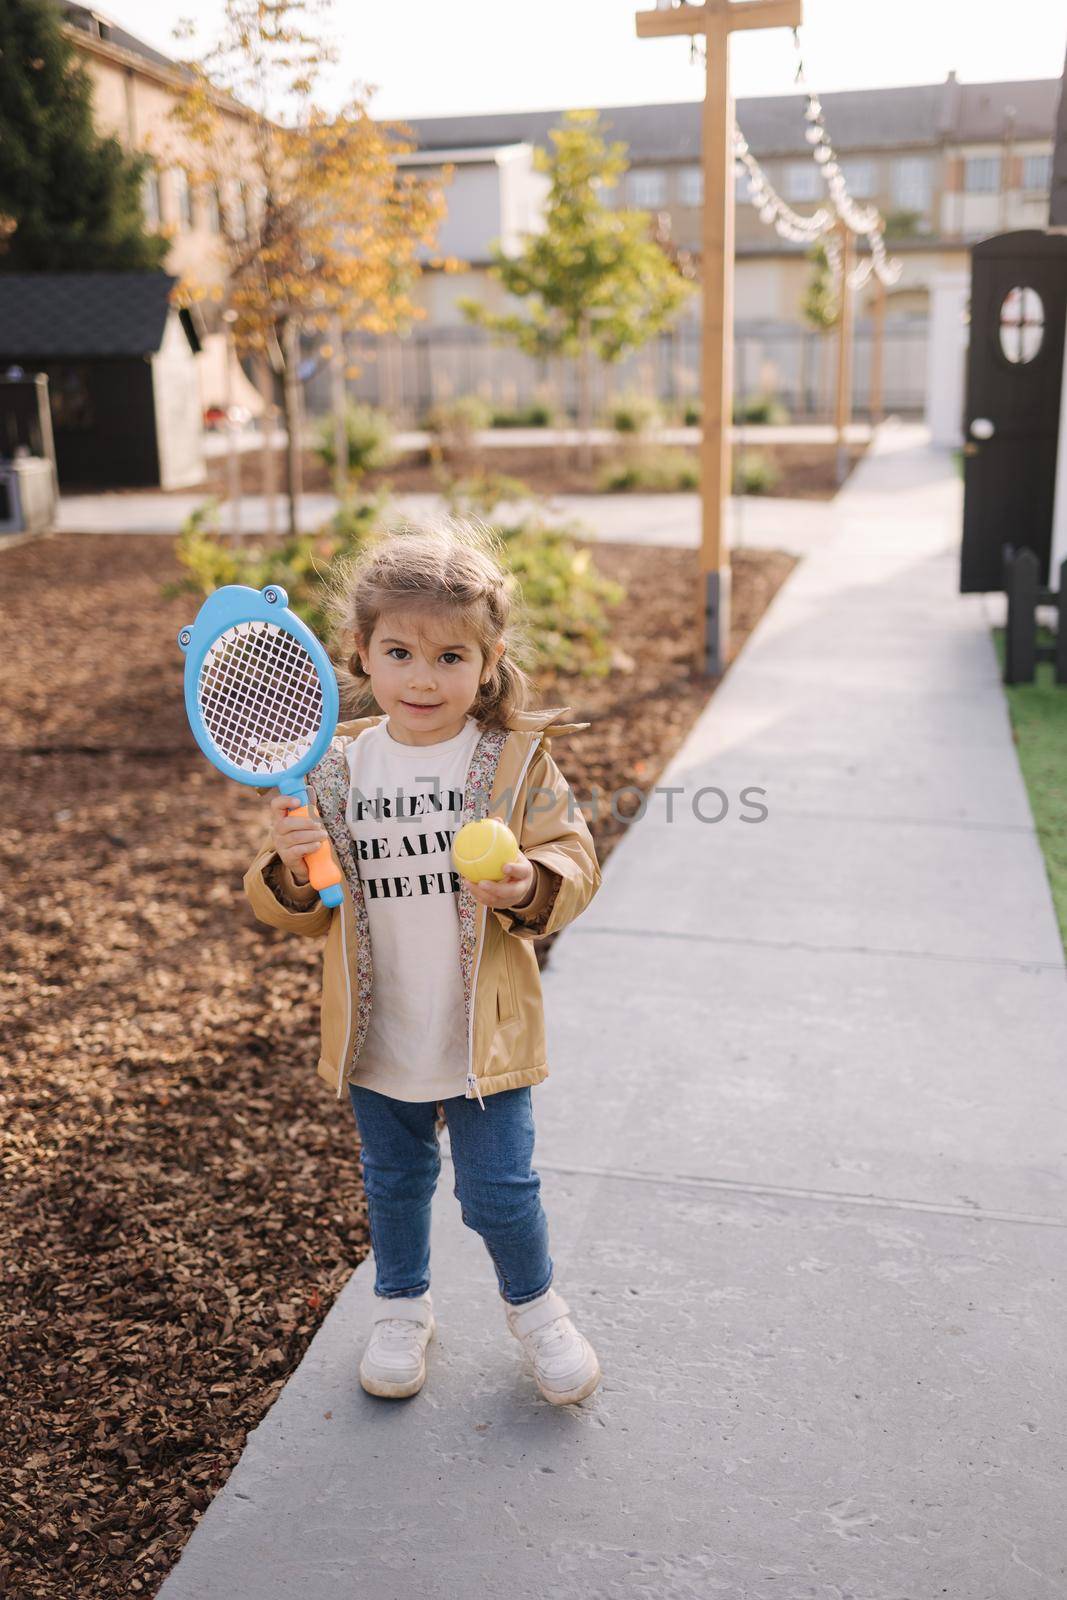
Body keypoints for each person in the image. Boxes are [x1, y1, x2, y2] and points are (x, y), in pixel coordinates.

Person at [242, 517, 604, 1406]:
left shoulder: (514, 760)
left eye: (450, 658)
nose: (422, 677)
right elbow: (298, 902)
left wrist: (528, 882)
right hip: (382, 1028)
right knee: (395, 1183)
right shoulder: (332, 769)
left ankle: (537, 1310)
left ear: (487, 663)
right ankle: (402, 1308)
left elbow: (575, 858)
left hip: (478, 1034)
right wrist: (295, 864)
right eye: (398, 651)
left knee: (499, 1190)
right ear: (360, 654)